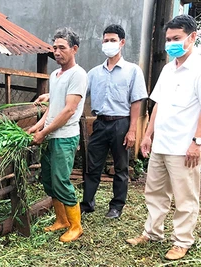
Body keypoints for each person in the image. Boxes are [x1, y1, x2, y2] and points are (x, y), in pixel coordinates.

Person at [36, 24, 148, 219]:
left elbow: (136, 101)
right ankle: (87, 203)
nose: (108, 44)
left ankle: (116, 206)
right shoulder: (94, 73)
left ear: (122, 43)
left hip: (121, 123)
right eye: (105, 41)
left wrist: (132, 131)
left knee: (121, 167)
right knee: (92, 166)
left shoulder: (133, 71)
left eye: (112, 40)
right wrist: (49, 94)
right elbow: (75, 91)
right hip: (100, 122)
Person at [126, 14, 201, 261]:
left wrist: (196, 142)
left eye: (176, 38)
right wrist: (148, 135)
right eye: (168, 39)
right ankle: (152, 232)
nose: (171, 44)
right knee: (155, 192)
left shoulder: (199, 67)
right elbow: (157, 104)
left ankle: (182, 241)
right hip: (162, 144)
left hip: (185, 147)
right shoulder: (169, 68)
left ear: (193, 37)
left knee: (185, 197)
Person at [28, 27, 87, 242]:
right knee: (49, 180)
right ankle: (61, 220)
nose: (57, 52)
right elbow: (53, 107)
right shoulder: (54, 74)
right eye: (54, 48)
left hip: (64, 136)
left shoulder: (78, 74)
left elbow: (69, 110)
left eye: (62, 48)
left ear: (74, 49)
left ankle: (76, 226)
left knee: (61, 180)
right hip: (51, 134)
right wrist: (39, 126)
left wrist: (44, 132)